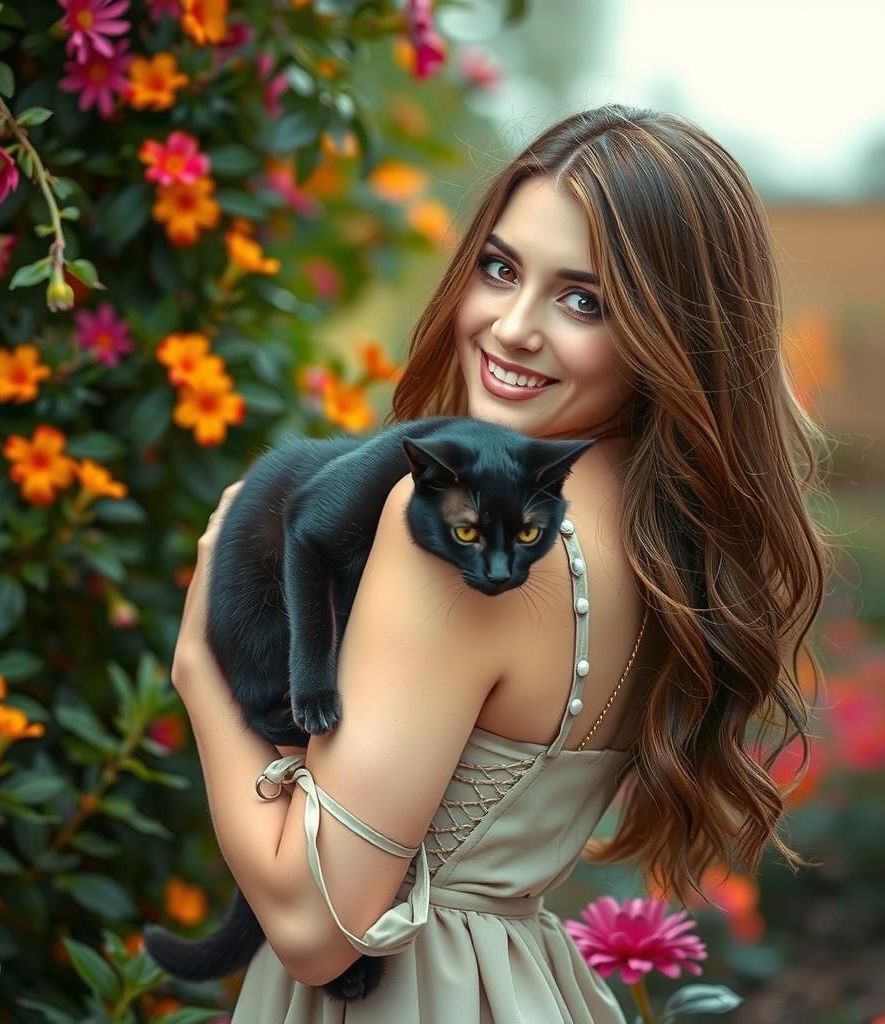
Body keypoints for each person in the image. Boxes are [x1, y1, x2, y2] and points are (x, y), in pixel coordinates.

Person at [169, 103, 834, 1022]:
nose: (513, 327)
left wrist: (199, 671)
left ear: (672, 331)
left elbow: (319, 928)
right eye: (500, 268)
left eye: (583, 300)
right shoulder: (667, 542)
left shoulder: (453, 541)